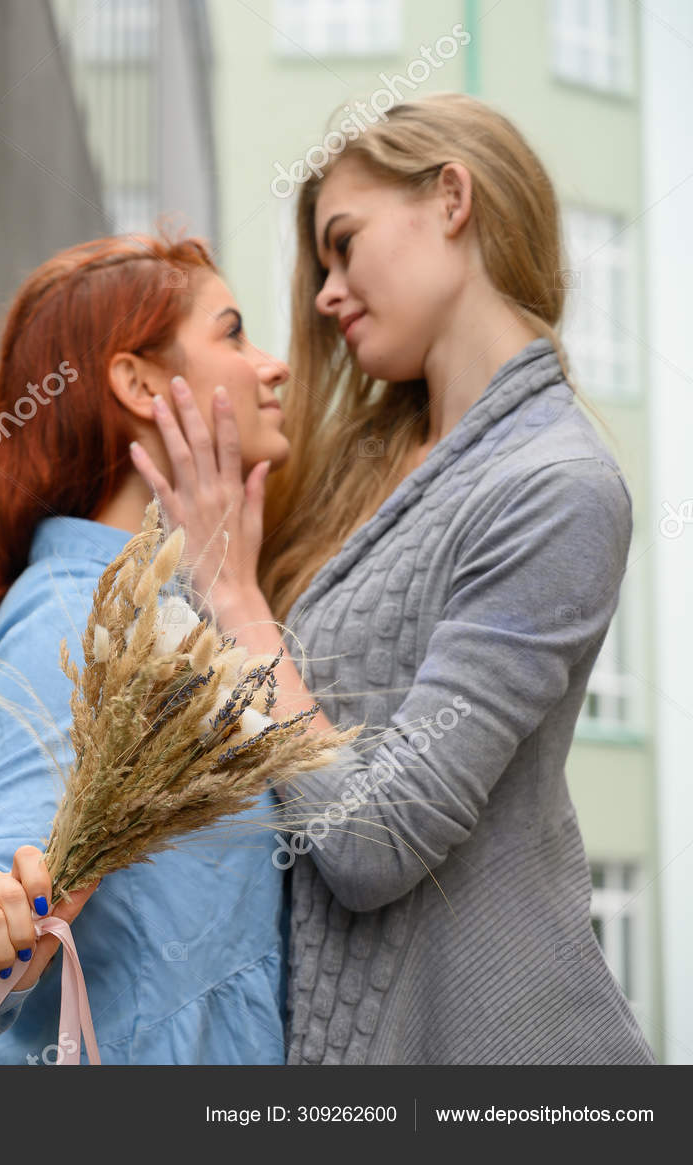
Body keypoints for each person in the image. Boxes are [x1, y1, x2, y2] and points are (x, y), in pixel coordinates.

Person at [128, 93, 654, 1064]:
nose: (325, 294)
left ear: (451, 197)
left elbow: (375, 840)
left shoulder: (558, 488)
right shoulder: (369, 466)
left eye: (343, 242)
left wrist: (238, 601)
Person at [0, 232, 296, 1063]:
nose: (273, 365)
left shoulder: (174, 613)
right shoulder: (73, 622)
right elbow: (1, 888)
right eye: (232, 333)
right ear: (140, 381)